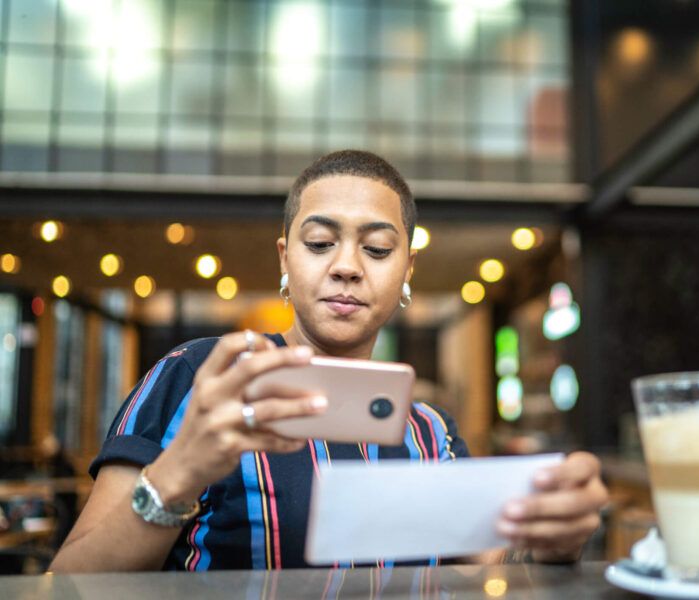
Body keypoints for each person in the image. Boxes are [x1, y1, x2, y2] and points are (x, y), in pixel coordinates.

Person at [49, 150, 609, 572]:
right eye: (319, 242)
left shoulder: (430, 432)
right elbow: (70, 580)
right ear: (285, 257)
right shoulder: (200, 376)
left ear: (407, 270)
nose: (346, 266)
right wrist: (181, 472)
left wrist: (549, 541)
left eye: (377, 249)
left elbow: (481, 574)